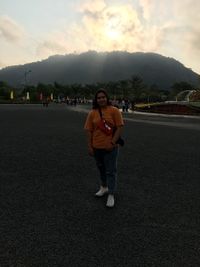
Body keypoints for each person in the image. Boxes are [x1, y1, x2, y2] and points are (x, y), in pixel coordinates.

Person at [84, 89, 124, 208]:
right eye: (99, 98)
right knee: (101, 169)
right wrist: (90, 146)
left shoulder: (114, 110)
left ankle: (111, 194)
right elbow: (88, 130)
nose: (101, 99)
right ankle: (104, 187)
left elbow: (119, 127)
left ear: (107, 98)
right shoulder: (92, 113)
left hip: (111, 147)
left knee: (111, 170)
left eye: (103, 97)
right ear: (96, 100)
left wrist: (112, 142)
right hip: (97, 147)